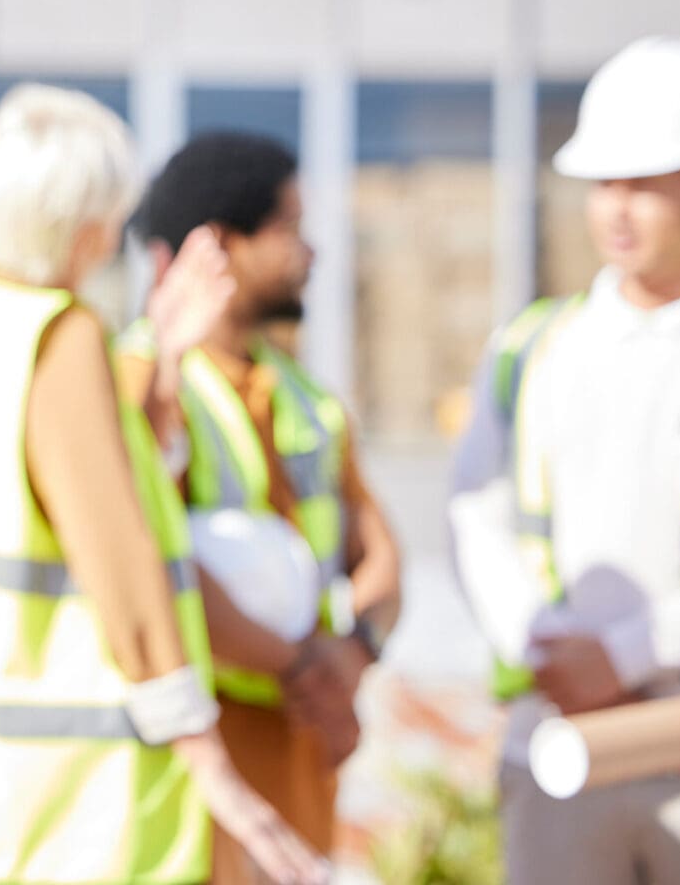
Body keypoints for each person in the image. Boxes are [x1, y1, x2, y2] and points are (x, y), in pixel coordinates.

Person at [0, 86, 328, 885]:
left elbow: (32, 505)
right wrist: (213, 770)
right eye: (111, 216)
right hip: (63, 817)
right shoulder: (55, 334)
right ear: (82, 222)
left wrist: (165, 362)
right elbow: (124, 573)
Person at [120, 132, 402, 884]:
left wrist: (353, 653)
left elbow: (379, 556)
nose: (309, 252)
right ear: (218, 245)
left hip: (300, 764)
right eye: (287, 228)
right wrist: (306, 669)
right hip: (193, 773)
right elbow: (145, 562)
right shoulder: (136, 379)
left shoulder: (306, 398)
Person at [450, 36, 680, 883]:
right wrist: (547, 646)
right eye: (603, 185)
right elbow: (474, 516)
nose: (617, 209)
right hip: (556, 748)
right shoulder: (532, 347)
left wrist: (624, 654)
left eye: (645, 184)